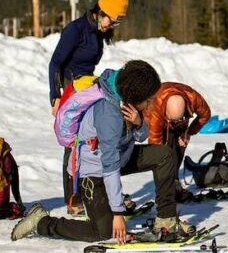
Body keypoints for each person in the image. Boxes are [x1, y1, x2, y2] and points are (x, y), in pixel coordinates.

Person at [12, 60, 194, 243]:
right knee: (103, 232)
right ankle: (41, 222)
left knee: (164, 155)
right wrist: (117, 212)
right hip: (92, 172)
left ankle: (166, 218)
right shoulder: (109, 115)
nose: (151, 103)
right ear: (136, 97)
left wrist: (139, 123)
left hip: (119, 158)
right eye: (148, 100)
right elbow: (110, 166)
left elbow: (139, 137)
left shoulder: (124, 100)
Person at [48, 0, 129, 215]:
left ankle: (92, 190)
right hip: (71, 89)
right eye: (110, 20)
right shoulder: (75, 30)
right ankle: (73, 199)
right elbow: (55, 63)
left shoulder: (97, 32)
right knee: (73, 141)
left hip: (88, 86)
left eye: (115, 22)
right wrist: (55, 95)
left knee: (90, 136)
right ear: (100, 13)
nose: (111, 25)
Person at [144, 82, 211, 202]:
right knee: (163, 152)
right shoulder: (156, 108)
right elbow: (155, 144)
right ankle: (165, 189)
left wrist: (189, 132)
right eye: (172, 119)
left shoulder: (193, 98)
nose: (174, 122)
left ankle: (174, 182)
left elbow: (205, 115)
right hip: (159, 121)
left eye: (178, 119)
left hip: (179, 123)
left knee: (180, 147)